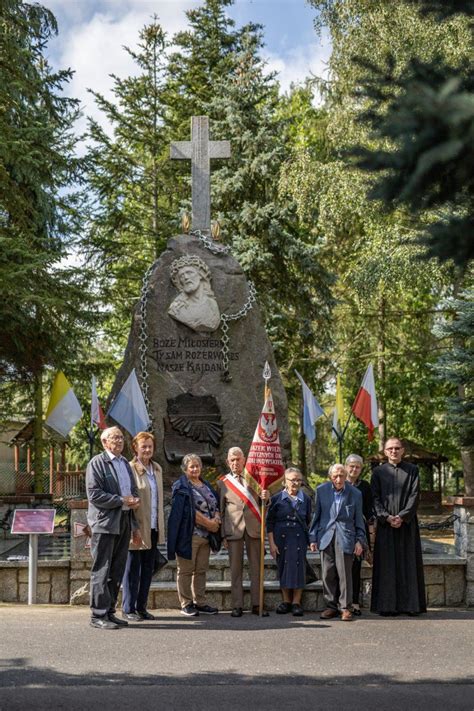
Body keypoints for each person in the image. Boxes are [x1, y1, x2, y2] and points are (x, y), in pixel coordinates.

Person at [86, 426, 141, 630]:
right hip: (104, 524)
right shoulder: (97, 463)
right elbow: (94, 494)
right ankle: (97, 615)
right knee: (102, 569)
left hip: (124, 521)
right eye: (114, 438)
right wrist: (120, 499)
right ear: (104, 442)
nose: (119, 441)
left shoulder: (126, 464)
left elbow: (132, 490)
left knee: (116, 569)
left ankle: (109, 611)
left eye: (120, 438)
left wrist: (134, 503)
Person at [370, 437, 427, 616]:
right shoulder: (378, 472)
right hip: (386, 526)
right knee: (387, 565)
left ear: (403, 450)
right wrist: (386, 517)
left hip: (407, 525)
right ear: (385, 452)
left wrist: (402, 516)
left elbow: (415, 495)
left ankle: (411, 605)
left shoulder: (412, 470)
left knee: (408, 562)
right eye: (390, 449)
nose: (393, 451)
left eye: (397, 448)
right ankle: (387, 606)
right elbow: (374, 498)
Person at [309, 463, 366, 621]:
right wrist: (313, 537)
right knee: (328, 573)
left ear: (346, 475)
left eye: (341, 475)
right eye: (335, 476)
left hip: (346, 537)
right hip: (326, 536)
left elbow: (359, 520)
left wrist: (360, 541)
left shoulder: (355, 493)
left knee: (345, 574)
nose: (338, 479)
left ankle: (345, 608)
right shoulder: (321, 490)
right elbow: (316, 515)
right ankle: (330, 606)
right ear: (330, 477)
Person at [218, 447, 269, 617]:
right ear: (227, 462)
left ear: (244, 460)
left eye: (238, 459)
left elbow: (264, 505)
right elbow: (221, 510)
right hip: (234, 530)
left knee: (256, 568)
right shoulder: (223, 482)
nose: (235, 463)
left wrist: (266, 498)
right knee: (235, 570)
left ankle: (257, 604)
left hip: (254, 529)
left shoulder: (255, 480)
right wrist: (223, 535)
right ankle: (237, 605)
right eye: (232, 460)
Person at [167, 453, 221, 616]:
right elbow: (188, 511)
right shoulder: (181, 487)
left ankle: (200, 602)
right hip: (189, 535)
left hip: (206, 537)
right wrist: (210, 524)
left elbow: (215, 504)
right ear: (185, 469)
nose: (195, 468)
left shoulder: (206, 485)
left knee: (201, 570)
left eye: (197, 465)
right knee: (185, 570)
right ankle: (186, 603)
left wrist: (217, 517)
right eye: (192, 466)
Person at [122, 432, 165, 621]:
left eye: (150, 446)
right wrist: (133, 528)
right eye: (143, 446)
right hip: (137, 527)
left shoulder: (157, 469)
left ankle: (141, 607)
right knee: (132, 569)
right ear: (135, 448)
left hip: (153, 526)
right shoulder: (129, 468)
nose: (147, 449)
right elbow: (128, 501)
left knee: (148, 569)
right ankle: (128, 608)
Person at [267, 467, 312, 617]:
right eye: (293, 480)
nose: (296, 483)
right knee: (283, 567)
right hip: (281, 538)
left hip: (299, 538)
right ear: (284, 482)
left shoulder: (306, 499)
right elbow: (270, 522)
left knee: (299, 568)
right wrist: (272, 543)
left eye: (299, 480)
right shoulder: (275, 499)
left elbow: (308, 521)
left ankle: (296, 602)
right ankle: (286, 601)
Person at [345, 453, 375, 615]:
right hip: (342, 532)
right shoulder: (339, 483)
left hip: (359, 532)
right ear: (346, 466)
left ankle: (355, 602)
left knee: (355, 568)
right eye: (352, 466)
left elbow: (369, 511)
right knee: (340, 569)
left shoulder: (365, 486)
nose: (354, 469)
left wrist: (369, 537)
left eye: (358, 467)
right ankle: (340, 602)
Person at [168, 255, 220, 332]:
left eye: (189, 272)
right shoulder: (176, 308)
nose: (185, 277)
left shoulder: (212, 304)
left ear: (200, 275)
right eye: (181, 276)